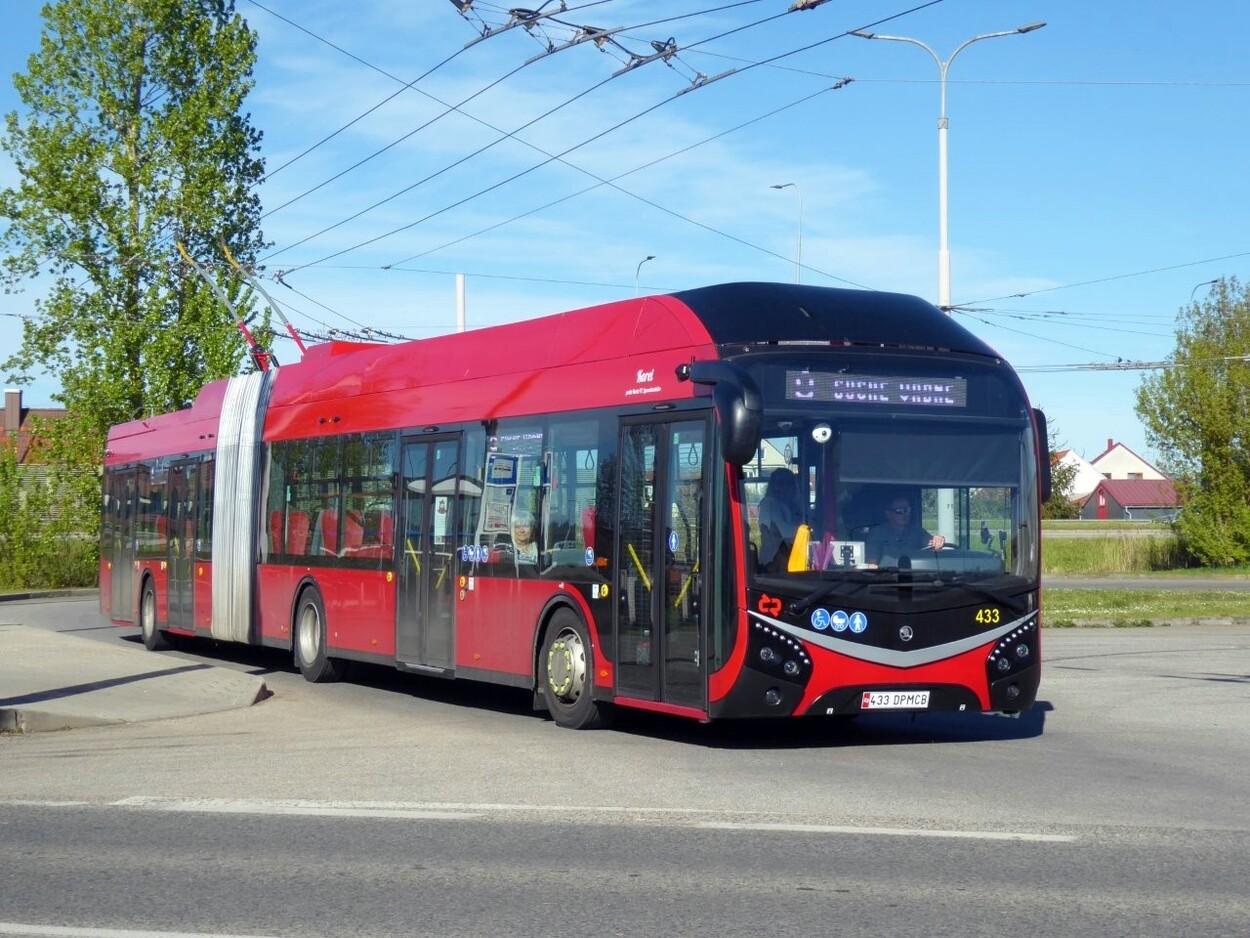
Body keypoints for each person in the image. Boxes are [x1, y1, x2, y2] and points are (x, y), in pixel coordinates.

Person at [864, 493, 945, 567]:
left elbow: (929, 542)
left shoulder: (916, 531)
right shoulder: (877, 533)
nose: (905, 514)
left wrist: (937, 539)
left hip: (915, 577)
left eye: (907, 510)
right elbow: (872, 565)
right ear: (888, 514)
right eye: (899, 511)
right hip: (887, 579)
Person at [758, 468, 804, 571]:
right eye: (778, 483)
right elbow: (783, 530)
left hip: (793, 554)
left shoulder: (793, 505)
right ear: (773, 486)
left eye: (787, 483)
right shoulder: (768, 504)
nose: (782, 487)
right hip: (773, 560)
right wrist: (805, 530)